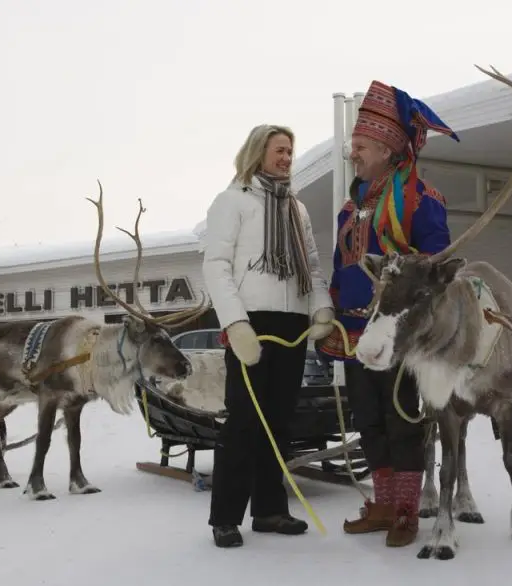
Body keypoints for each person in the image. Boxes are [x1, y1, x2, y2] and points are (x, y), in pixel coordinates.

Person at [317, 80, 459, 547]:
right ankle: (381, 504)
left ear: (383, 147)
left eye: (358, 146)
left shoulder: (421, 199)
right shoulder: (349, 209)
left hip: (397, 335)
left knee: (402, 419)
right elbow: (341, 267)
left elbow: (437, 265)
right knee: (369, 420)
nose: (351, 153)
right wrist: (330, 315)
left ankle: (405, 510)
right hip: (355, 330)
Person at [202, 124, 334, 548]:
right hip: (251, 322)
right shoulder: (232, 201)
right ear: (258, 152)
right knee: (243, 421)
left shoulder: (297, 209)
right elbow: (216, 266)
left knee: (278, 420)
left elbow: (311, 267)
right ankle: (225, 516)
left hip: (292, 322)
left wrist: (321, 307)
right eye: (279, 150)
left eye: (290, 151)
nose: (286, 158)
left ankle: (270, 510)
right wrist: (235, 324)